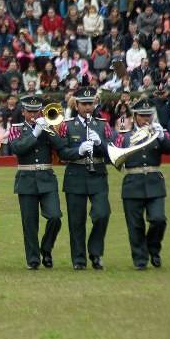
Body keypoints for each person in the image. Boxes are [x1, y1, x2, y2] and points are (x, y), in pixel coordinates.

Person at [56, 87, 116, 270]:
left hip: (97, 174)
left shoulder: (102, 125)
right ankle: (79, 259)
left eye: (91, 103)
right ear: (77, 105)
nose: (88, 107)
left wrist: (100, 144)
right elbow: (62, 152)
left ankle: (95, 253)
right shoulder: (67, 125)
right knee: (76, 220)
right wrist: (78, 150)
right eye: (84, 104)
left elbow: (113, 153)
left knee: (102, 213)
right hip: (76, 174)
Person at [112, 98, 170, 270]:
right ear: (135, 117)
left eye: (149, 115)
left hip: (154, 181)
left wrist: (162, 137)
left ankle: (153, 248)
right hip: (133, 182)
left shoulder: (158, 133)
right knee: (135, 224)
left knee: (158, 219)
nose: (146, 119)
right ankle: (140, 259)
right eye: (142, 116)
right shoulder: (125, 136)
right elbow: (115, 155)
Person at [9, 95, 65, 269]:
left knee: (55, 217)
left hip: (47, 178)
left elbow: (61, 147)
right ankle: (33, 260)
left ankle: (46, 248)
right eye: (30, 111)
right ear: (24, 111)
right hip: (26, 179)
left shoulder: (48, 126)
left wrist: (48, 129)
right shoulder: (16, 129)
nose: (33, 114)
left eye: (36, 111)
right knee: (30, 223)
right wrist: (35, 133)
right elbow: (17, 148)